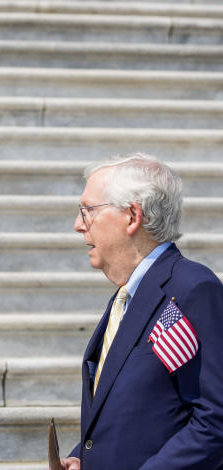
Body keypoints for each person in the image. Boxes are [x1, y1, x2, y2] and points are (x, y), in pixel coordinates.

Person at [61, 153, 223, 470]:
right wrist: (84, 456)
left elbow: (216, 418)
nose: (79, 225)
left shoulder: (193, 289)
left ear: (132, 216)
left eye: (88, 211)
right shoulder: (127, 294)